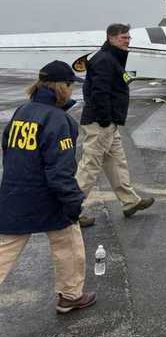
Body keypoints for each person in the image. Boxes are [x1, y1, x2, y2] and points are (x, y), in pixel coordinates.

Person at [0, 61, 95, 313]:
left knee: (4, 249)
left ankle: (71, 295)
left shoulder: (22, 111)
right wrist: (73, 202)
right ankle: (70, 295)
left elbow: (7, 148)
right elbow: (60, 171)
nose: (72, 90)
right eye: (70, 85)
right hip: (47, 196)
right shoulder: (59, 120)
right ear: (60, 87)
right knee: (69, 242)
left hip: (14, 193)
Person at [75, 23, 154, 227]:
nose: (127, 41)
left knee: (117, 162)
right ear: (111, 38)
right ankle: (69, 210)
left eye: (128, 37)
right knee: (90, 166)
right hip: (101, 123)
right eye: (123, 38)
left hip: (109, 122)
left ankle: (130, 202)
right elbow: (97, 92)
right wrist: (104, 119)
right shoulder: (104, 60)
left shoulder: (111, 58)